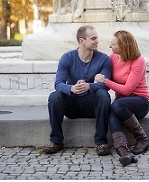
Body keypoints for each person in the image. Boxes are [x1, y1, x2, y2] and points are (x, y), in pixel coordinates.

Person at [44, 25, 112, 156]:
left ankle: (101, 142)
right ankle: (56, 141)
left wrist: (89, 86)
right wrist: (72, 88)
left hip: (92, 105)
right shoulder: (67, 57)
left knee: (103, 95)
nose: (97, 41)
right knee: (55, 96)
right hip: (72, 105)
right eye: (93, 38)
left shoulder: (104, 59)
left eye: (97, 38)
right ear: (81, 40)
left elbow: (106, 85)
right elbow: (58, 84)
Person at [95, 30, 149, 166]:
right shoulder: (112, 58)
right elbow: (108, 86)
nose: (110, 46)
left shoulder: (138, 61)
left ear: (124, 46)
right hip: (120, 105)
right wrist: (96, 80)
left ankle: (142, 138)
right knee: (112, 111)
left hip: (140, 102)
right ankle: (124, 152)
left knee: (116, 105)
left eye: (113, 44)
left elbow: (127, 90)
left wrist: (105, 81)